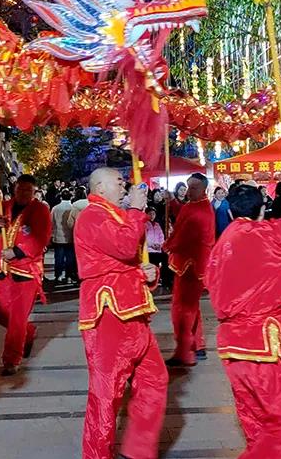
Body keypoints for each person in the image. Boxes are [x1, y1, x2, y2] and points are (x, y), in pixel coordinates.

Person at [205, 157, 281, 458]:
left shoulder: (220, 248)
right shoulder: (268, 234)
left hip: (233, 345)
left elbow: (243, 293)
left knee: (257, 425)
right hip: (263, 344)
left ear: (230, 212)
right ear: (261, 211)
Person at [75, 168, 165, 459]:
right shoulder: (92, 216)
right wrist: (137, 210)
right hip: (109, 315)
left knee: (154, 379)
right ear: (100, 187)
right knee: (106, 394)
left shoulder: (116, 215)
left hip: (134, 313)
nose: (124, 186)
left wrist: (147, 273)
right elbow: (125, 247)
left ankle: (138, 448)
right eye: (118, 182)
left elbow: (126, 261)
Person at [0, 174, 52, 375]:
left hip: (26, 269)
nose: (23, 193)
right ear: (15, 189)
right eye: (20, 189)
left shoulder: (40, 210)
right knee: (0, 313)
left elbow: (41, 238)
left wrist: (17, 251)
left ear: (34, 192)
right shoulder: (4, 206)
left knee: (17, 318)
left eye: (28, 190)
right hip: (3, 268)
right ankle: (28, 332)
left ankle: (11, 360)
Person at [163, 173, 215, 366]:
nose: (190, 191)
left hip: (191, 264)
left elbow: (184, 235)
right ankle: (197, 345)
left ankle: (185, 351)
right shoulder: (194, 205)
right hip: (188, 264)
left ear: (204, 188)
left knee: (183, 308)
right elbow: (184, 214)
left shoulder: (202, 211)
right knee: (191, 307)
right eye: (189, 187)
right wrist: (172, 202)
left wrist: (168, 245)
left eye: (194, 188)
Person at [50, 189, 77, 283]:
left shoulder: (55, 208)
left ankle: (58, 276)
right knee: (70, 258)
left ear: (61, 197)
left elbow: (51, 222)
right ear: (71, 197)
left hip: (58, 236)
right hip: (70, 237)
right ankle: (69, 276)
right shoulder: (73, 208)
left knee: (58, 257)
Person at [144, 207, 167, 287]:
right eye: (150, 214)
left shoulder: (157, 225)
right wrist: (151, 244)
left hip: (157, 250)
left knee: (158, 265)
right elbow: (144, 237)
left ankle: (159, 280)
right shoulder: (145, 224)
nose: (152, 216)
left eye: (153, 214)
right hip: (149, 250)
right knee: (151, 266)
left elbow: (161, 236)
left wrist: (160, 244)